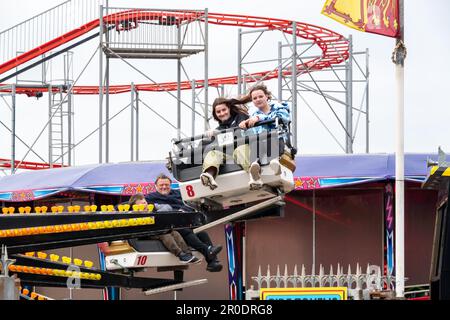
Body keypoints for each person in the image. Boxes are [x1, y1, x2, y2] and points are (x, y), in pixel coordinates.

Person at [146, 174, 223, 272]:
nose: (164, 187)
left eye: (166, 185)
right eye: (161, 185)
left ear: (170, 185)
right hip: (169, 225)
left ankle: (213, 262)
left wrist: (183, 209)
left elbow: (189, 204)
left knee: (202, 233)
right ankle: (207, 250)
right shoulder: (150, 198)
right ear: (156, 186)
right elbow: (143, 206)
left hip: (185, 220)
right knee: (185, 231)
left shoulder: (179, 193)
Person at [238, 83, 291, 189]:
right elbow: (250, 134)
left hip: (278, 139)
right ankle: (254, 165)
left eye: (261, 96)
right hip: (261, 144)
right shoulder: (253, 116)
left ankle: (274, 161)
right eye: (255, 98)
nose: (258, 99)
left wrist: (260, 118)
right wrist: (244, 127)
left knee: (270, 135)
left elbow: (282, 118)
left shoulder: (278, 107)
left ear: (267, 96)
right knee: (256, 140)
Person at [128, 193, 200, 264]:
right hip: (145, 233)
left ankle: (188, 254)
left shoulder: (150, 209)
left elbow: (167, 207)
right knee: (164, 234)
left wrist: (156, 215)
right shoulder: (133, 214)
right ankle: (180, 254)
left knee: (174, 232)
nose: (145, 204)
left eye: (145, 202)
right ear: (135, 206)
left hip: (156, 230)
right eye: (142, 203)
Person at [200, 97, 250, 190]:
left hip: (245, 150)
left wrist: (220, 134)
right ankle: (209, 175)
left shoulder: (241, 117)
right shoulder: (219, 129)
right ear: (215, 114)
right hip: (229, 156)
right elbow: (205, 146)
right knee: (212, 153)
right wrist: (210, 137)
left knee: (240, 149)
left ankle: (252, 172)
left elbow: (239, 134)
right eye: (218, 112)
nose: (222, 113)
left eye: (224, 110)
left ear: (229, 109)